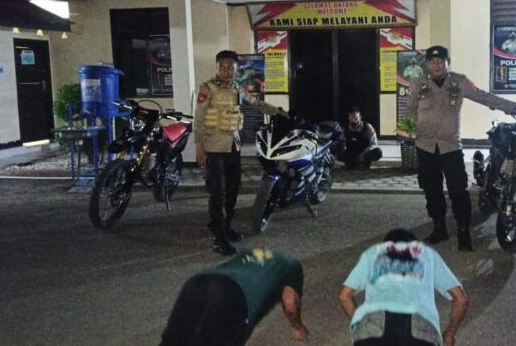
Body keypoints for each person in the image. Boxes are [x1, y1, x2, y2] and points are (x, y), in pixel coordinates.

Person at [406, 45, 516, 252]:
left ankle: (463, 230)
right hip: (425, 146)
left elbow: (482, 96)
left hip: (451, 146)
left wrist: (509, 106)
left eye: (441, 61)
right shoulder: (417, 84)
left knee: (458, 191)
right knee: (432, 190)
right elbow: (410, 110)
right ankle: (439, 227)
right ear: (427, 64)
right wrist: (409, 133)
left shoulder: (459, 81)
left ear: (448, 63)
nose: (436, 65)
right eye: (432, 62)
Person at [194, 50, 287, 255]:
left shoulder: (238, 88)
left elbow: (256, 103)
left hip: (233, 146)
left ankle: (226, 227)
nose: (226, 71)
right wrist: (199, 146)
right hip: (214, 147)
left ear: (237, 69)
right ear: (217, 68)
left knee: (232, 190)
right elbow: (198, 119)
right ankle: (218, 238)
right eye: (222, 67)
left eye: (230, 68)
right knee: (217, 193)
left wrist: (276, 111)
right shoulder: (207, 88)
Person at [338, 228, 468, 346]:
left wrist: (360, 325)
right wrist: (449, 335)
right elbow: (461, 299)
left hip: (374, 327)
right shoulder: (428, 255)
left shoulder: (372, 256)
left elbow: (344, 296)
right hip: (419, 329)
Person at [160, 248, 309, 346]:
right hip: (231, 295)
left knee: (172, 341)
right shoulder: (292, 266)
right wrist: (298, 327)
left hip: (197, 282)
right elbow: (290, 303)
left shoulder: (251, 253)